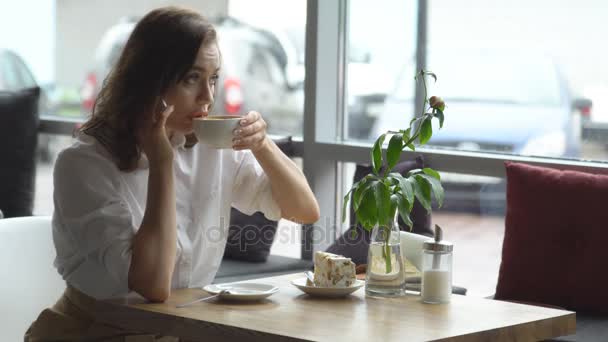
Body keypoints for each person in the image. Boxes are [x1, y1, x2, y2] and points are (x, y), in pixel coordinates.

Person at [25, 6, 319, 341]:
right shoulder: (82, 165)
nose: (208, 97)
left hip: (182, 330)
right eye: (191, 78)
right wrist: (162, 164)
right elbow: (152, 285)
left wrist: (262, 145)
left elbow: (304, 211)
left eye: (213, 78)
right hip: (93, 332)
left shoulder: (211, 149)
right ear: (150, 81)